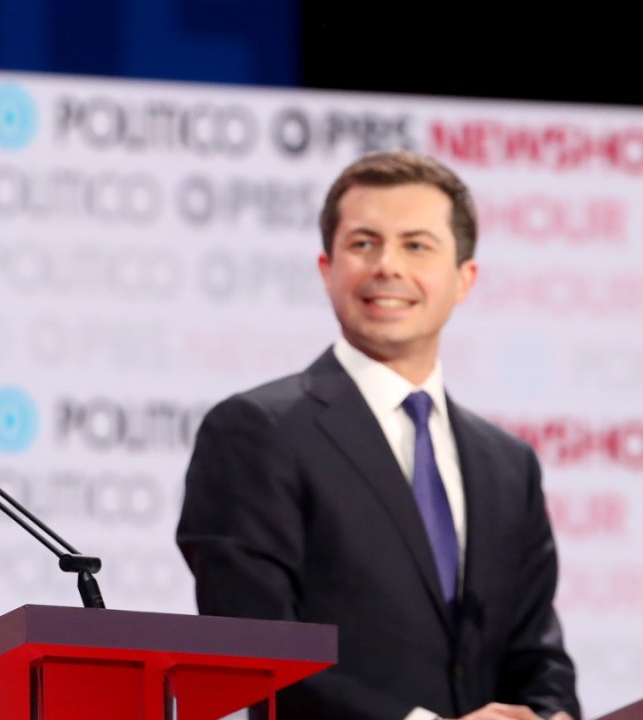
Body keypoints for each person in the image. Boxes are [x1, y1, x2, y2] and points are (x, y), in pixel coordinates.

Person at [176, 150, 580, 720]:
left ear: (465, 278)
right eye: (363, 243)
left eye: (417, 245)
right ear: (327, 269)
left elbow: (538, 653)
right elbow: (257, 656)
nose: (387, 265)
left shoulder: (507, 464)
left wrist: (549, 715)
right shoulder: (255, 432)